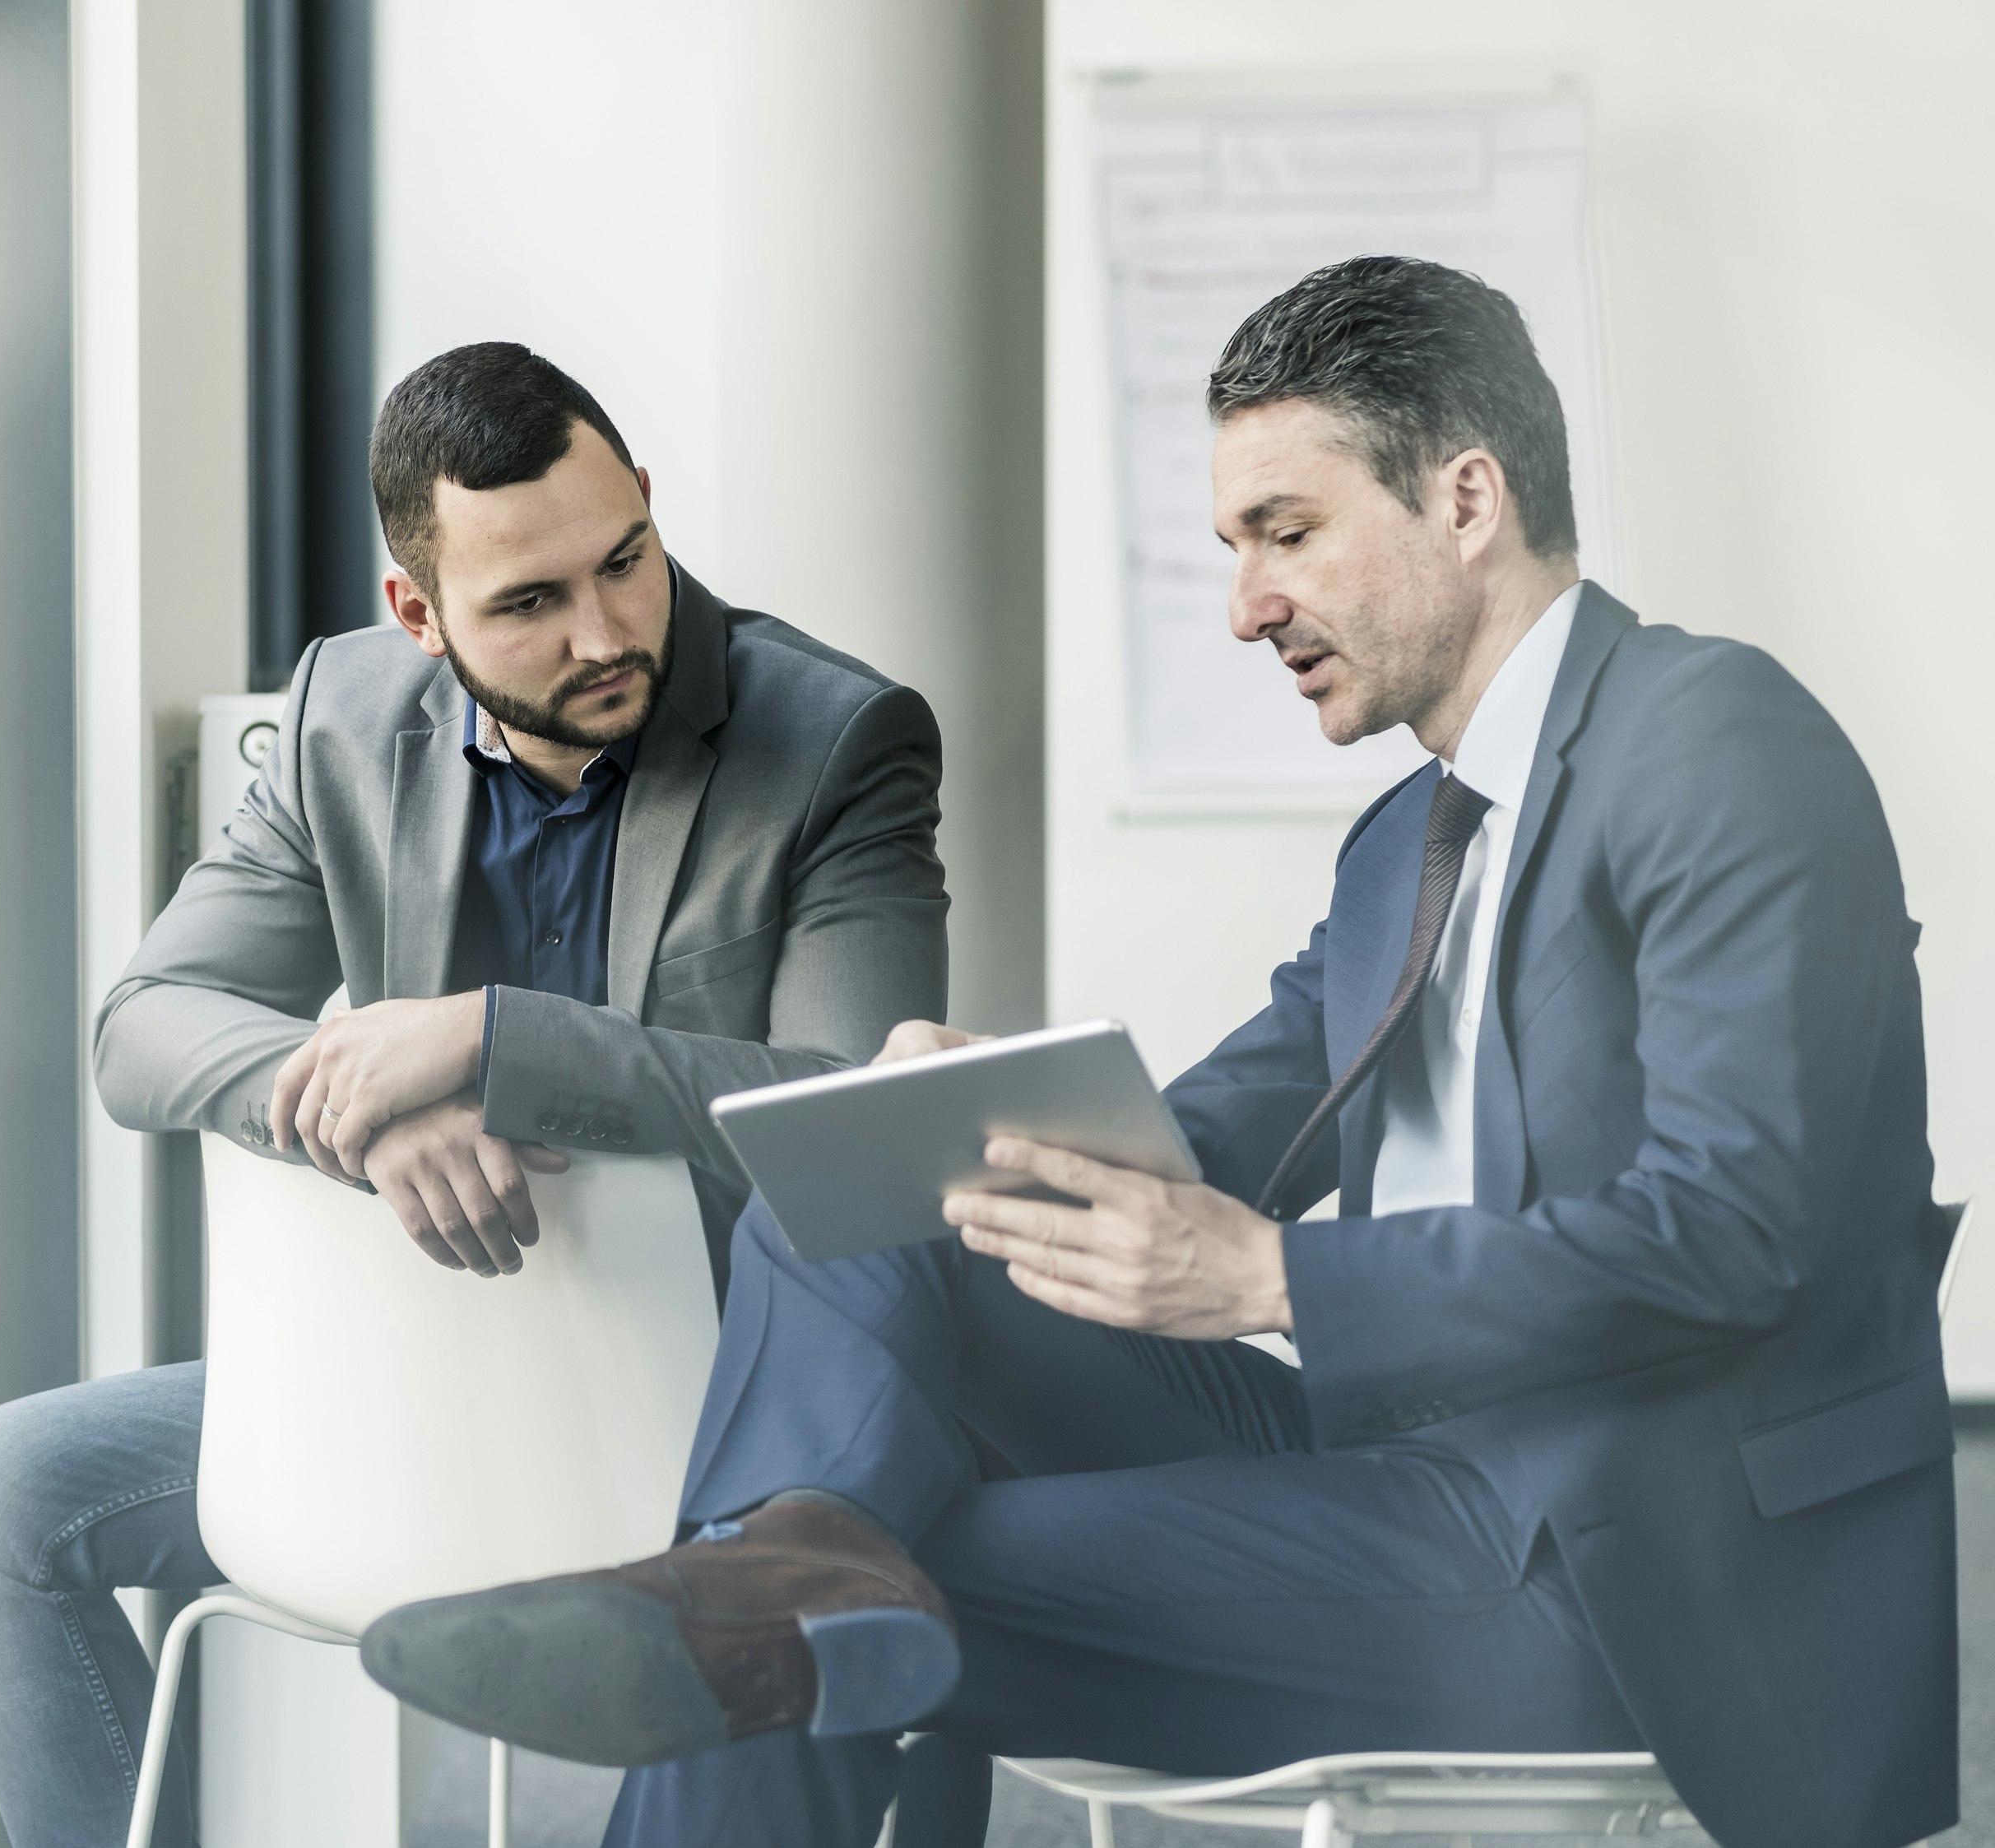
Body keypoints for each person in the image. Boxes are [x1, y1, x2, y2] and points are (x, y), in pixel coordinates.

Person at [361, 259, 1954, 1848]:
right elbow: (1212, 1127)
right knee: (859, 1212)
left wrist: (1274, 1283)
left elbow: (1735, 1230)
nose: (1250, 603)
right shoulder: (1408, 841)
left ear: (1466, 498)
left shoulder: (1717, 739)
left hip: (1620, 1575)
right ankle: (798, 1549)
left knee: (866, 1601)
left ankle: (791, 1575)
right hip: (1387, 1472)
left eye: (1288, 533)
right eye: (1234, 549)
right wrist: (977, 1117)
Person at [0, 341, 956, 1848]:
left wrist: (484, 1038)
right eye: (528, 603)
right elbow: (144, 1026)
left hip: (728, 1410)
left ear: (649, 505)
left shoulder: (837, 738)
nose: (603, 632)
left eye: (625, 561)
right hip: (420, 1371)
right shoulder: (344, 709)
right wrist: (365, 1102)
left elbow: (847, 1114)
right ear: (419, 609)